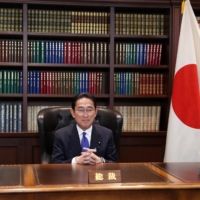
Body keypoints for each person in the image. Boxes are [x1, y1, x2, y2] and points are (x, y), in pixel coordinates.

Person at [51, 92, 118, 164]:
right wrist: (75, 161)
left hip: (96, 174)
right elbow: (56, 163)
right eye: (80, 110)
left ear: (95, 112)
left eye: (89, 110)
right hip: (72, 175)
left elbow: (115, 163)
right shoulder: (61, 135)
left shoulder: (107, 134)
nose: (85, 115)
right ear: (73, 113)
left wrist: (101, 161)